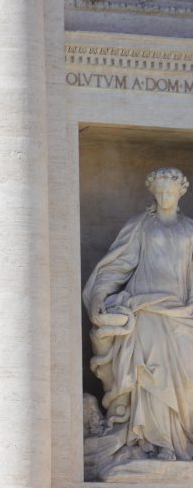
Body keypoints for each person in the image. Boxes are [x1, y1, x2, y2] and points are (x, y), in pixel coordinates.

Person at [83, 167, 193, 463]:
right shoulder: (141, 225)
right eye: (159, 192)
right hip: (145, 311)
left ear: (180, 193)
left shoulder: (190, 230)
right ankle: (153, 443)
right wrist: (99, 296)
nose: (164, 196)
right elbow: (117, 265)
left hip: (181, 314)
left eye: (170, 191)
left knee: (184, 381)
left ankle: (180, 439)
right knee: (149, 376)